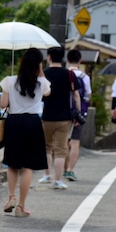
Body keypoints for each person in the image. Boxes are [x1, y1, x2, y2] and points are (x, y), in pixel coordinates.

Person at [0, 48, 51, 217]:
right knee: (27, 167)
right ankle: (21, 206)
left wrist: (8, 90)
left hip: (14, 123)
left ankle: (11, 197)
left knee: (13, 164)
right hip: (33, 123)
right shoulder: (41, 83)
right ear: (38, 65)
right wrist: (41, 71)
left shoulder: (9, 81)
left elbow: (3, 104)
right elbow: (48, 92)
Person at [39, 46, 81, 189]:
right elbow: (76, 95)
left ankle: (46, 175)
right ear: (63, 58)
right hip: (64, 117)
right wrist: (78, 112)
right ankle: (58, 180)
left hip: (47, 116)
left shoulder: (43, 74)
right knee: (61, 149)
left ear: (48, 57)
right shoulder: (69, 74)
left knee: (47, 147)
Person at [63, 49, 92, 181]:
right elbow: (87, 96)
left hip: (63, 112)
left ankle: (63, 169)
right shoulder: (84, 77)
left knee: (63, 142)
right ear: (80, 60)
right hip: (79, 113)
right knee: (75, 142)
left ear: (67, 60)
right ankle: (70, 170)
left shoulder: (64, 74)